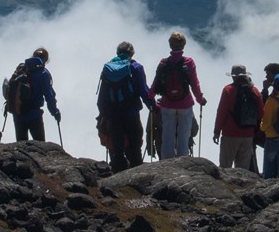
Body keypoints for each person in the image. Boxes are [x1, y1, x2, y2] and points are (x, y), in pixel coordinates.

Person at [97, 41, 157, 172]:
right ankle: (136, 174)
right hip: (131, 112)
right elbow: (143, 90)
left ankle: (117, 174)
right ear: (132, 53)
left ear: (117, 53)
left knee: (117, 146)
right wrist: (153, 106)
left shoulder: (108, 68)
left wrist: (104, 114)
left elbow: (102, 96)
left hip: (113, 114)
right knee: (134, 145)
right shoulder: (136, 68)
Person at [150, 31, 207, 159]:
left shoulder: (163, 63)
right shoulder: (188, 62)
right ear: (184, 45)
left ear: (170, 45)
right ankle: (183, 160)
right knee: (184, 134)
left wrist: (151, 96)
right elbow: (194, 83)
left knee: (167, 135)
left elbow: (156, 82)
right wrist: (200, 99)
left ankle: (167, 162)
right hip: (185, 103)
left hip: (167, 103)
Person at [213, 64, 264, 170]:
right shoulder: (255, 91)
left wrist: (217, 131)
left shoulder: (228, 90)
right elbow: (261, 113)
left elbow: (221, 112)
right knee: (242, 170)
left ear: (233, 76)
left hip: (230, 134)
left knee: (225, 168)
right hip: (248, 135)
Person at [12, 47, 60, 142]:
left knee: (21, 146)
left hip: (18, 113)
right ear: (45, 59)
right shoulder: (43, 73)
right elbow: (49, 96)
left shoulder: (21, 70)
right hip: (34, 115)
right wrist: (55, 112)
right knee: (40, 147)